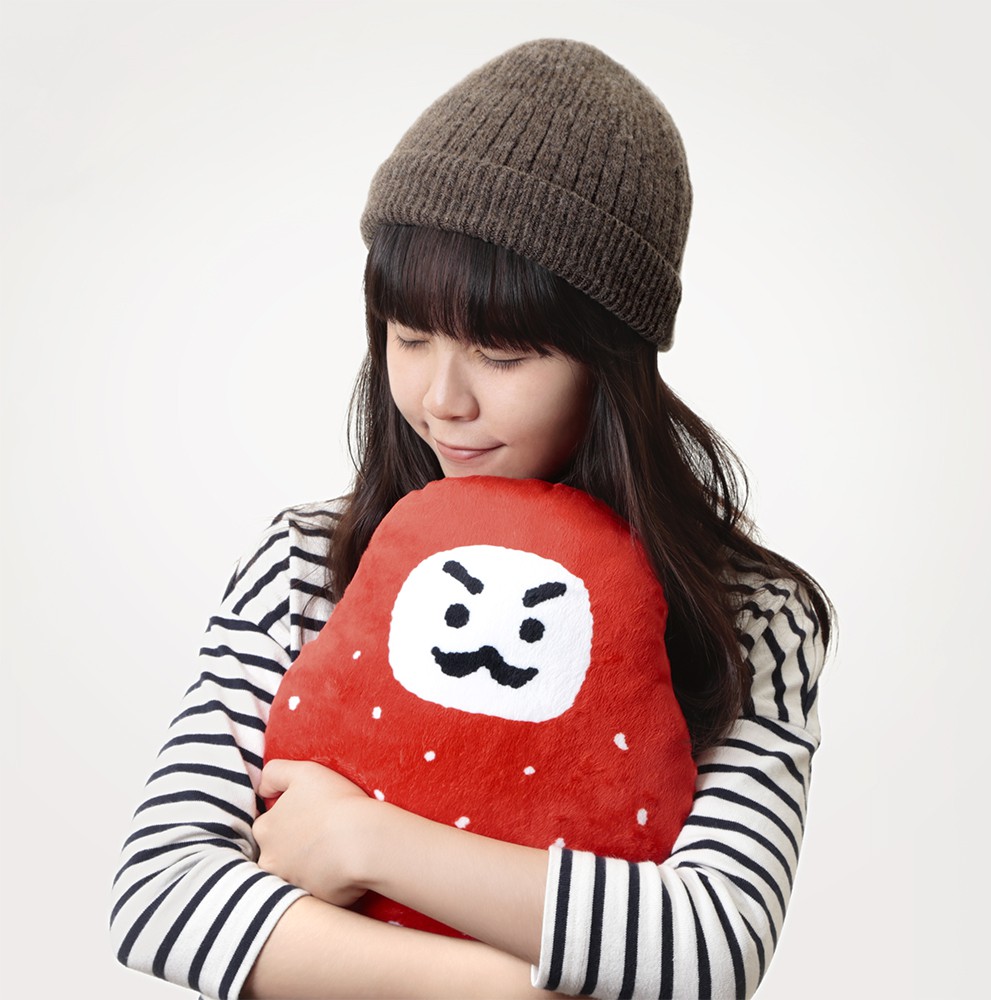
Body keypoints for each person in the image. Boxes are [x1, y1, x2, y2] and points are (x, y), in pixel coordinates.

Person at [110, 39, 833, 1000]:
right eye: (410, 339)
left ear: (610, 361)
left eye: (501, 354)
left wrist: (366, 842)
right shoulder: (307, 565)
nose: (441, 400)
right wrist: (511, 987)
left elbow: (710, 943)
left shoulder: (746, 614)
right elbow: (162, 894)